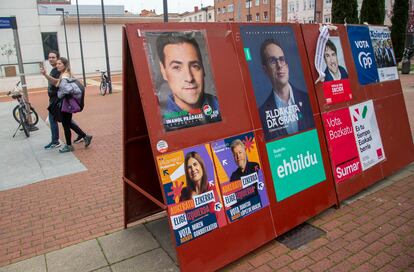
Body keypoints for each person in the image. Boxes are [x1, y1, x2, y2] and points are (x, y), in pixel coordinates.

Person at [156, 32, 221, 131]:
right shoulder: (160, 119)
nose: (189, 78)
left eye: (195, 66)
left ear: (203, 68)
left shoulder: (220, 105)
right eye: (177, 67)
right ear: (163, 71)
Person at [259, 39, 314, 140]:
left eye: (281, 59)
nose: (279, 65)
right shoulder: (262, 114)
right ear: (265, 70)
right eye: (272, 61)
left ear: (287, 66)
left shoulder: (309, 100)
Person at [40, 51, 83, 149]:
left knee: (56, 120)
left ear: (59, 59)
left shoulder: (60, 72)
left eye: (53, 57)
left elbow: (59, 84)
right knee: (66, 121)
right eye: (49, 57)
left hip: (59, 100)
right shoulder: (57, 71)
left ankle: (58, 142)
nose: (51, 59)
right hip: (57, 100)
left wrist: (60, 95)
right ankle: (83, 135)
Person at [55, 57, 92, 153]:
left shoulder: (64, 77)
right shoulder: (67, 74)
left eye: (60, 64)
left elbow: (68, 90)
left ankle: (69, 146)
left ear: (64, 65)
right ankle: (85, 136)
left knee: (66, 125)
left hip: (66, 103)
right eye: (57, 64)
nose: (57, 65)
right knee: (68, 123)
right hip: (68, 103)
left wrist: (60, 94)